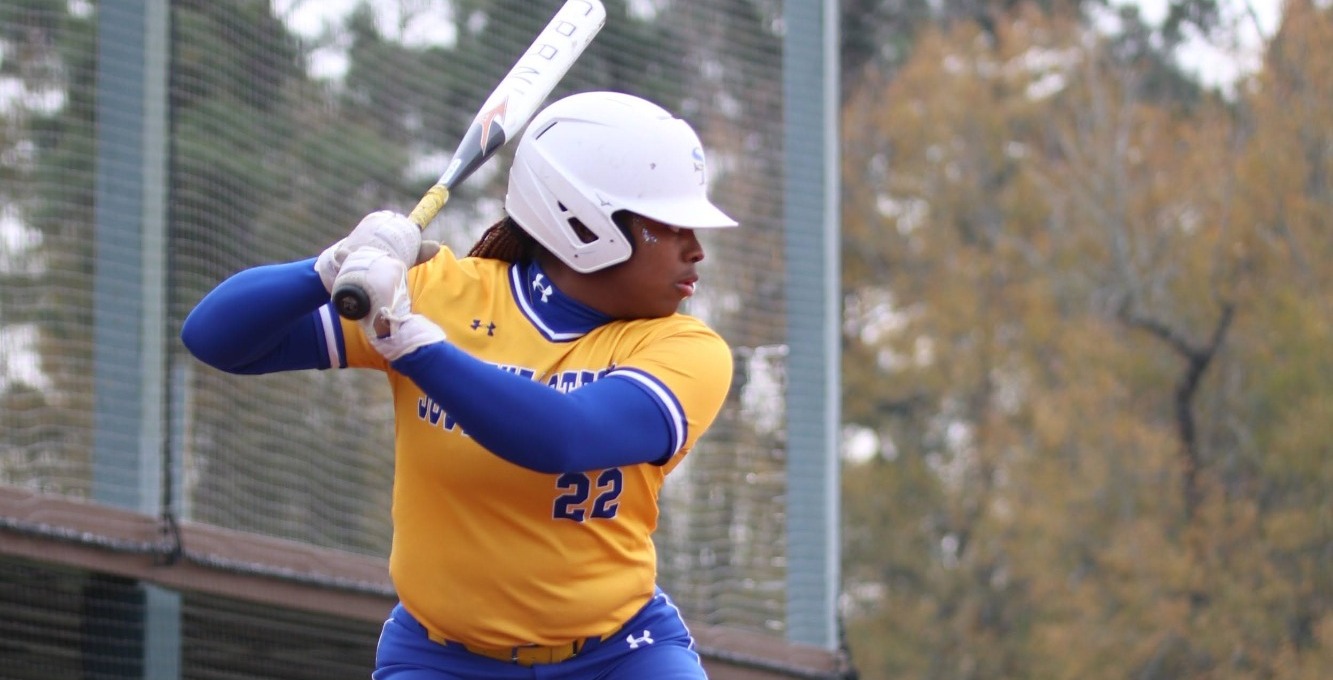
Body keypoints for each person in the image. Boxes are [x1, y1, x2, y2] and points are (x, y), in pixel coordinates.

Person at [181, 91, 738, 679]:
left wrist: (416, 348)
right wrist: (328, 267)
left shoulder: (685, 349)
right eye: (671, 226)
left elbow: (564, 439)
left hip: (619, 655)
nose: (695, 250)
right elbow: (216, 338)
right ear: (583, 219)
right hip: (440, 659)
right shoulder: (438, 294)